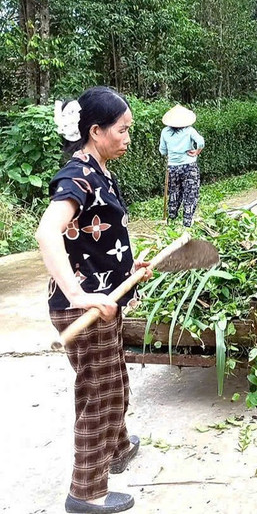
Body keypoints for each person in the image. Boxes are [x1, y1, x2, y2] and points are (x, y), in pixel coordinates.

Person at [37, 86, 154, 513]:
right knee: (98, 396)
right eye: (122, 130)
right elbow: (48, 233)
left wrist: (129, 268)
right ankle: (86, 492)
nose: (127, 137)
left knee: (115, 380)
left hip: (107, 300)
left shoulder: (98, 167)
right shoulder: (76, 176)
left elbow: (96, 237)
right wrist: (78, 294)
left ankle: (118, 448)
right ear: (95, 130)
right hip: (84, 309)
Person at [159, 105, 205, 227]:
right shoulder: (189, 130)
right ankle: (187, 222)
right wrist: (197, 151)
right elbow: (200, 142)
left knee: (174, 192)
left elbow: (163, 151)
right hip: (189, 166)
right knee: (190, 193)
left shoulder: (165, 132)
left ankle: (172, 219)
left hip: (173, 167)